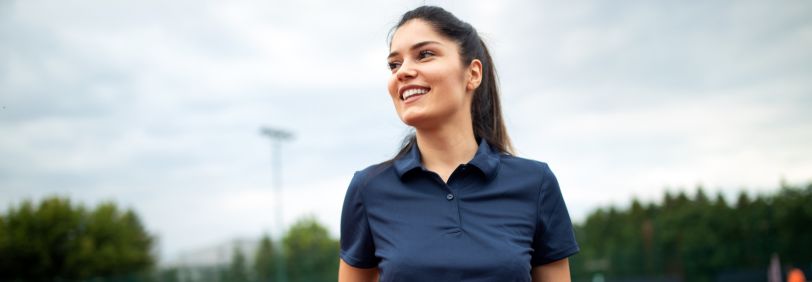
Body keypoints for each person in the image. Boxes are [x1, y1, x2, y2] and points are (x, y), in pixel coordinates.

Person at [339, 6, 579, 282]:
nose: (402, 72)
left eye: (424, 54)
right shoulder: (368, 189)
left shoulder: (536, 184)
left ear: (473, 73)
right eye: (394, 64)